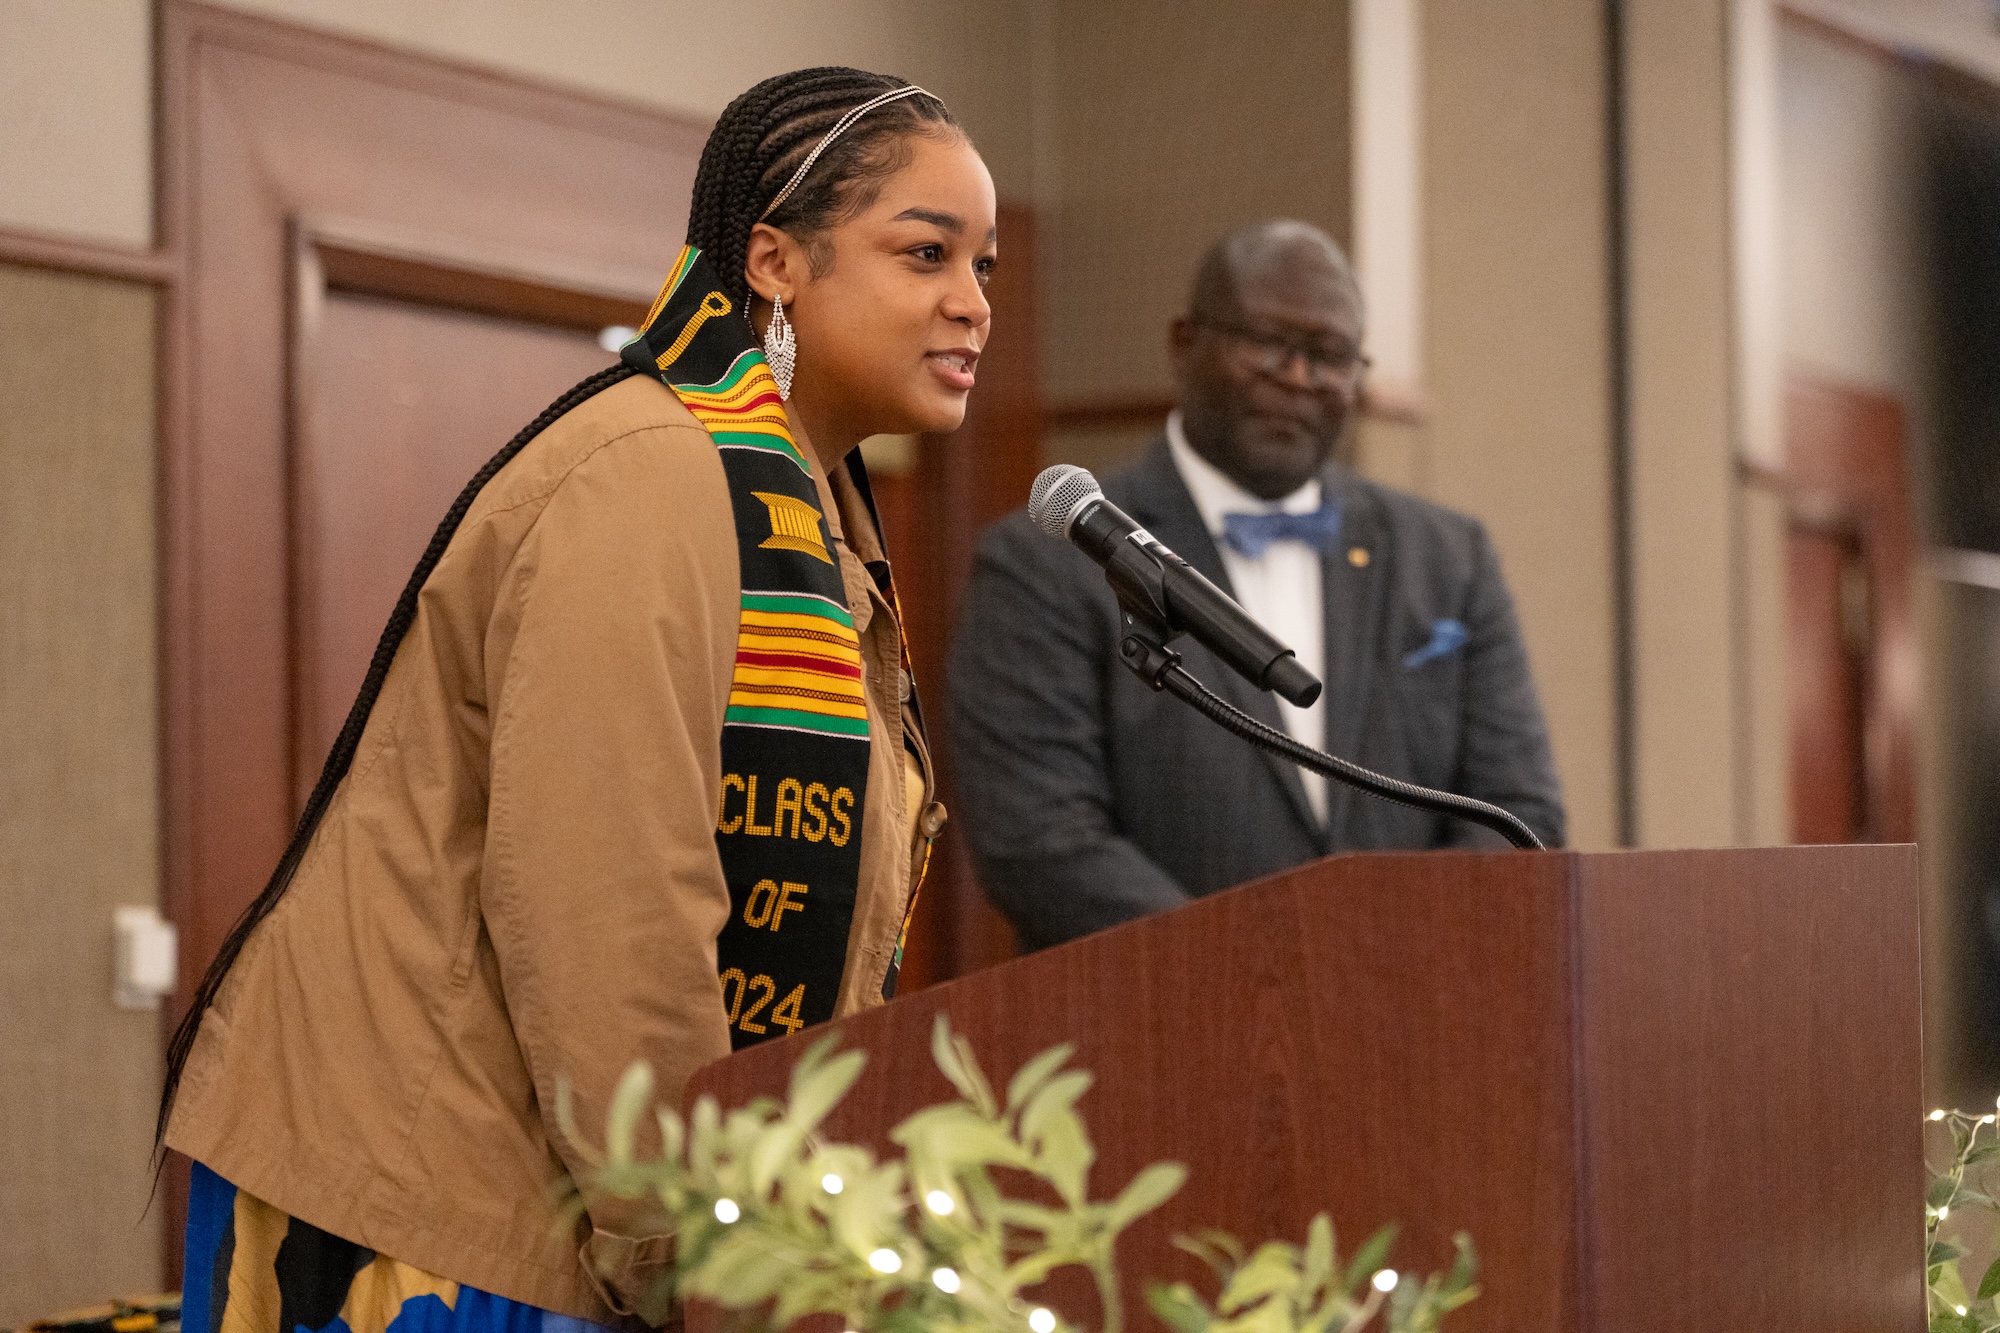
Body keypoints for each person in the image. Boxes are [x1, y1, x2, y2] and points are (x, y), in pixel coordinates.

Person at [157, 68, 991, 1333]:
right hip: (429, 1202)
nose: (971, 304)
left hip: (574, 1187)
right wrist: (694, 1248)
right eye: (925, 253)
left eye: (983, 264)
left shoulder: (814, 516)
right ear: (774, 260)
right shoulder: (650, 480)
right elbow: (609, 904)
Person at [948, 219, 1563, 953]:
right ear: (1185, 344)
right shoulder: (1045, 563)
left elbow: (1516, 813)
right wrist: (1269, 981)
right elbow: (1042, 845)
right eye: (1266, 345)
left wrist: (1390, 963)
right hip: (1157, 1023)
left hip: (1409, 1019)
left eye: (1330, 356)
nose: (1298, 378)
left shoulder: (1449, 558)